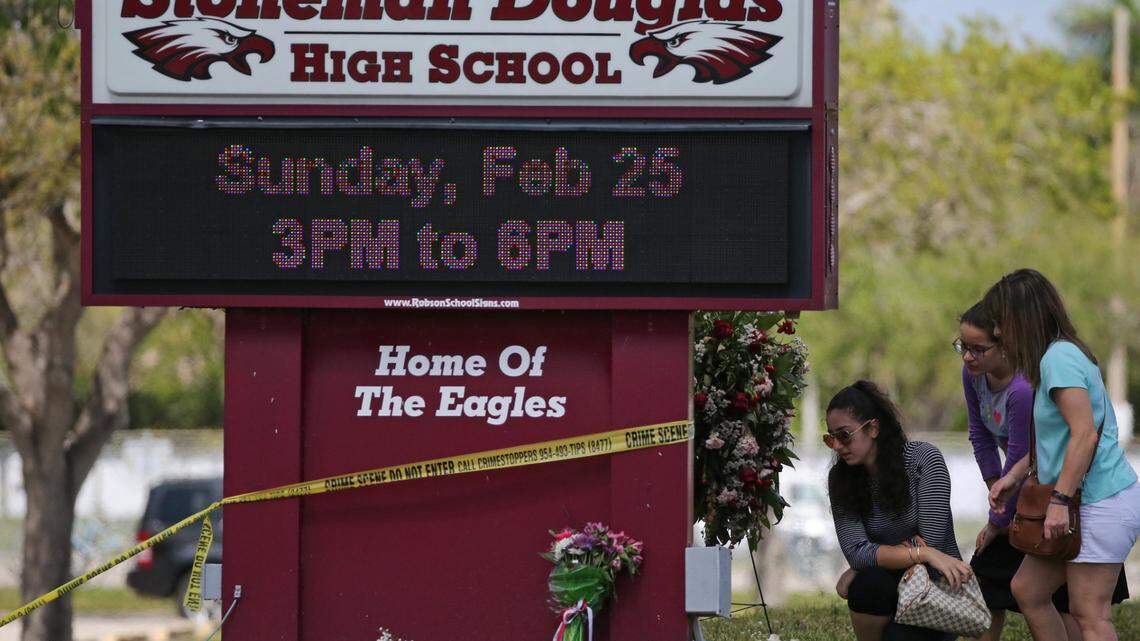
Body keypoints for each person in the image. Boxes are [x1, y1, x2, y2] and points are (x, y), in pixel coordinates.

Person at [958, 302, 1129, 641]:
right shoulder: (1033, 366)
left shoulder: (1048, 368)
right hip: (1043, 496)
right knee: (1027, 589)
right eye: (963, 347)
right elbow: (1001, 442)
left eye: (978, 349)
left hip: (1079, 498)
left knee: (1086, 612)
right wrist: (1002, 486)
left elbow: (1082, 435)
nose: (968, 357)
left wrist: (1055, 501)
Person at [828, 380, 970, 641]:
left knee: (893, 629)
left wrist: (869, 559)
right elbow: (856, 552)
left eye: (844, 435)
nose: (837, 446)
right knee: (867, 586)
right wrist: (921, 552)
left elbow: (934, 542)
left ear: (873, 428)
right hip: (887, 585)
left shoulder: (923, 460)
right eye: (830, 438)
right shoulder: (840, 478)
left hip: (935, 589)